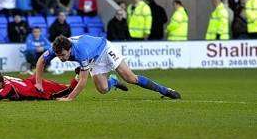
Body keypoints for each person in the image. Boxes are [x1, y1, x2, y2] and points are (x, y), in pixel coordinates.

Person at [34, 35, 181, 101]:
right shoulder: (56, 48)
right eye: (58, 55)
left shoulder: (81, 51)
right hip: (94, 59)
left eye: (64, 55)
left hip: (105, 49)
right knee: (103, 90)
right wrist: (38, 82)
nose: (61, 58)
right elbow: (41, 61)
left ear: (70, 49)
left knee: (130, 78)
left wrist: (69, 98)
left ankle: (166, 90)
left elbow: (83, 81)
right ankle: (113, 81)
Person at [0, 67, 79, 102]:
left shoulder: (7, 87)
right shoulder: (1, 80)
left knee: (68, 90)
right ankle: (80, 74)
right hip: (30, 82)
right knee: (65, 88)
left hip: (40, 89)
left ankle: (81, 73)